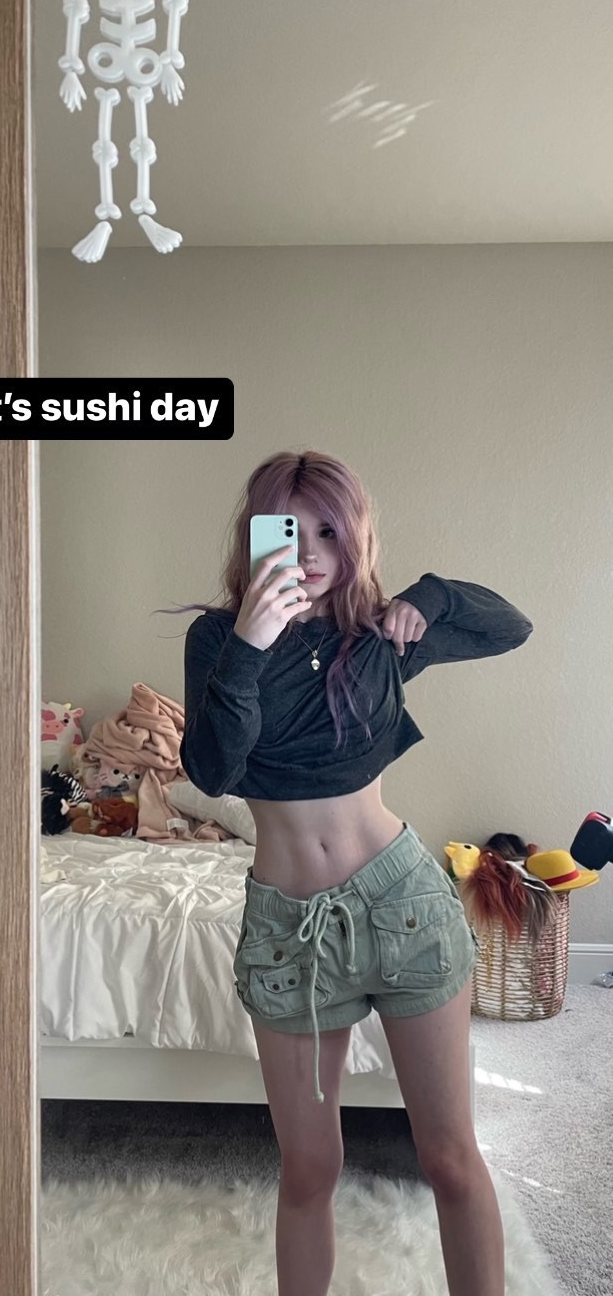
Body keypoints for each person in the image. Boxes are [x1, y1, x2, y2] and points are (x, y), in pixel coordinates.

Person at [176, 449, 533, 1296]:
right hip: (289, 932)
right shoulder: (218, 641)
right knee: (309, 1168)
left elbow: (509, 626)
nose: (308, 552)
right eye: (287, 529)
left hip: (404, 905)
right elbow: (212, 771)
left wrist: (428, 598)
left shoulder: (376, 638)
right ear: (254, 534)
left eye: (329, 532)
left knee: (449, 1157)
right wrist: (250, 645)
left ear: (355, 538)